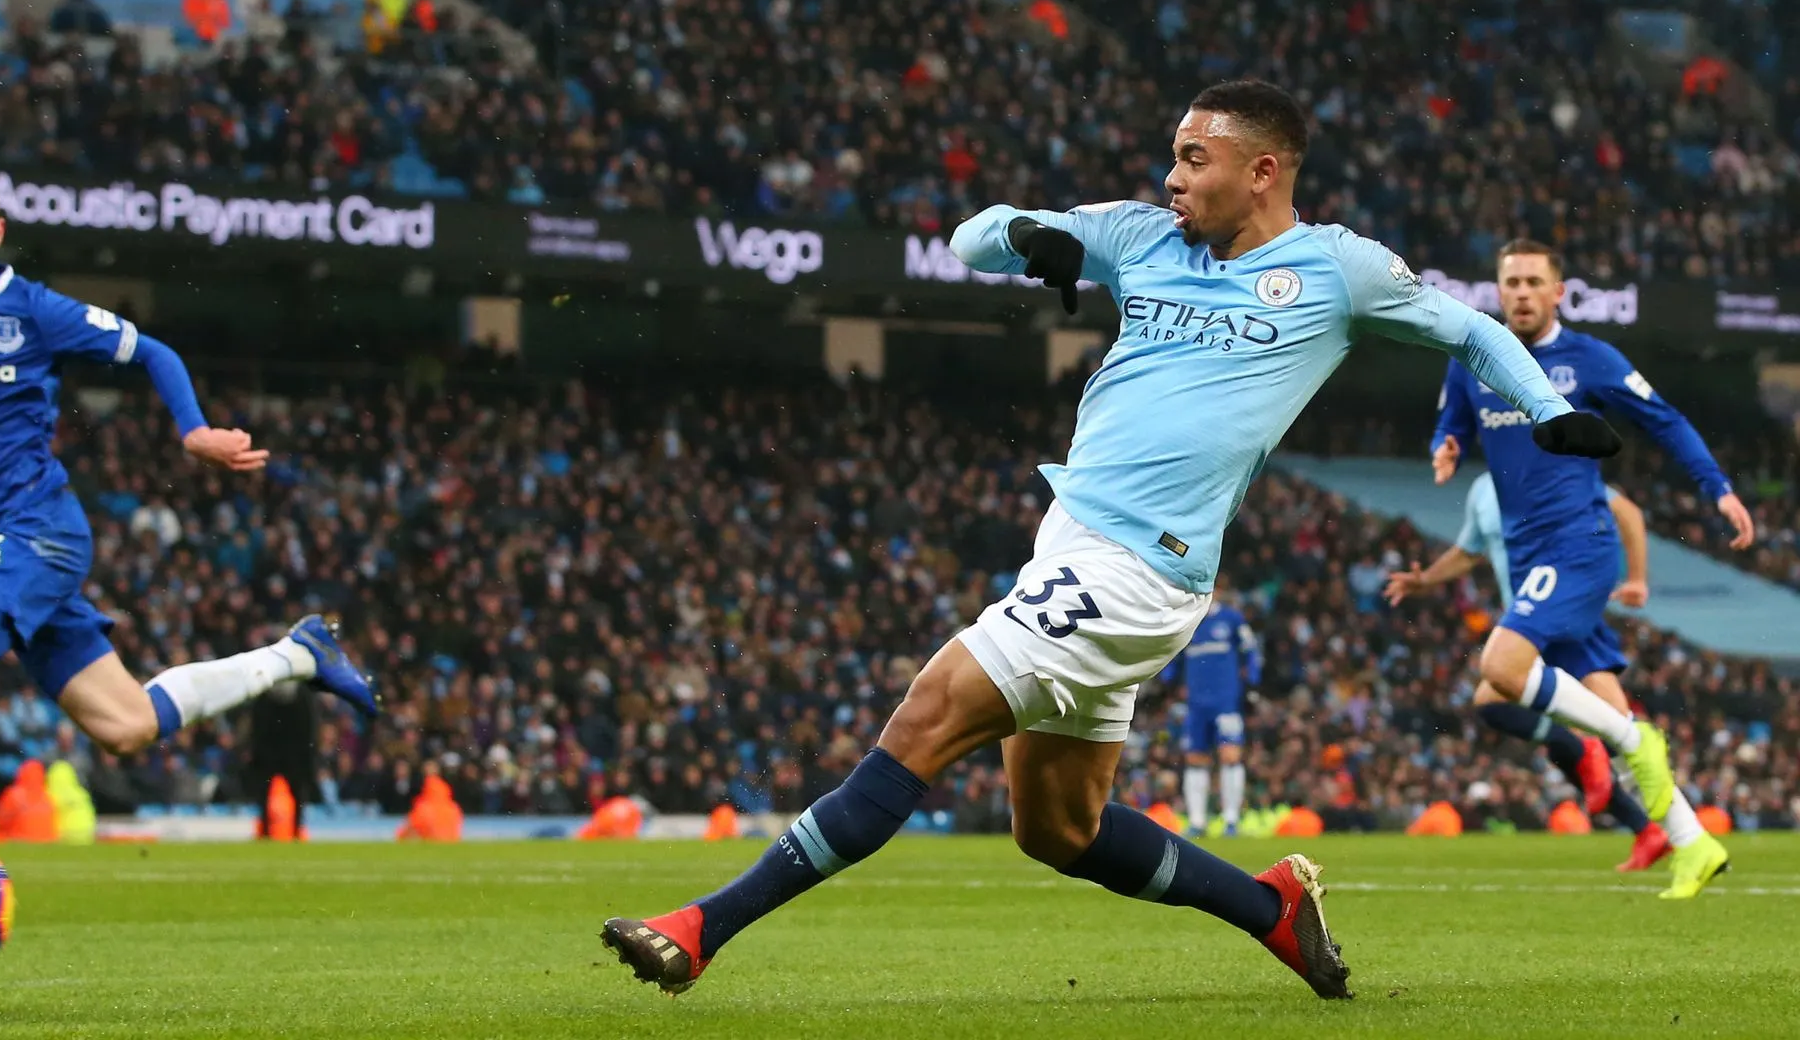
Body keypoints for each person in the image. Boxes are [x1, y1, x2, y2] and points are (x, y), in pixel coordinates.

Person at [600, 80, 1620, 1001]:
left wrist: (1541, 411)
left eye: (1191, 159)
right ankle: (1265, 909)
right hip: (1073, 545)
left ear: (1260, 171)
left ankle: (702, 929)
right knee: (1056, 830)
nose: (1169, 177)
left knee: (926, 713)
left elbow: (1470, 330)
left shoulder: (1337, 270)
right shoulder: (1139, 238)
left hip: (1139, 570)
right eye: (1172, 156)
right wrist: (1027, 238)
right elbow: (970, 234)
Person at [0, 169, 378, 922]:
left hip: (40, 529)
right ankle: (299, 656)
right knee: (127, 726)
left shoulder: (37, 311)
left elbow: (154, 353)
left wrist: (192, 429)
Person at [1422, 238, 1751, 900]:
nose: (1518, 292)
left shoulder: (1591, 361)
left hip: (1580, 543)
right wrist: (1447, 444)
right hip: (1530, 552)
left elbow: (1666, 420)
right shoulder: (1473, 358)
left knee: (1501, 671)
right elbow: (1450, 421)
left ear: (1556, 292)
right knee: (1596, 699)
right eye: (1509, 281)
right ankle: (1692, 843)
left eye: (1531, 282)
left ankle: (1635, 741)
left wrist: (1716, 487)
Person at [1385, 474, 1673, 872]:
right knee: (1571, 734)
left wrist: (1638, 578)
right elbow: (1468, 552)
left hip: (1563, 615)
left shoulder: (1557, 471)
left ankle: (1683, 834)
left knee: (1616, 731)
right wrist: (1426, 579)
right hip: (1527, 627)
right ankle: (1650, 830)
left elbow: (1627, 512)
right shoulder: (1483, 489)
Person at [1159, 577, 1261, 835]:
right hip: (1196, 704)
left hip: (1226, 701)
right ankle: (1197, 822)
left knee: (1230, 756)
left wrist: (1252, 684)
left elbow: (1251, 651)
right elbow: (1172, 657)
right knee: (1195, 759)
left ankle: (1231, 819)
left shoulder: (1231, 618)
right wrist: (1167, 681)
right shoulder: (1187, 620)